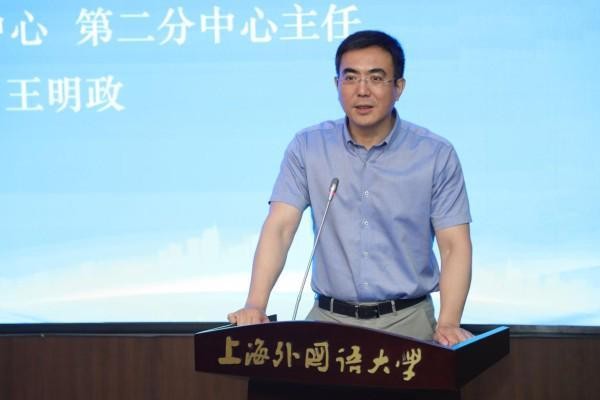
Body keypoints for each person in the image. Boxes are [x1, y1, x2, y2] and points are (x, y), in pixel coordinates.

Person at [227, 30, 473, 346]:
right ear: (337, 85)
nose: (362, 90)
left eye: (376, 78)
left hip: (409, 321)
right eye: (351, 78)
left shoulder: (435, 154)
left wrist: (449, 322)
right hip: (328, 320)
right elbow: (280, 228)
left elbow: (454, 246)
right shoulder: (309, 147)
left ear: (398, 87)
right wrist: (255, 305)